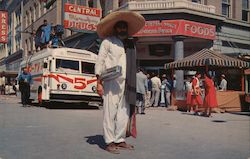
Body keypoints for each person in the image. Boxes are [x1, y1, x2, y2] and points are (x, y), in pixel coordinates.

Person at [95, 11, 145, 154]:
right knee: (110, 112)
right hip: (111, 82)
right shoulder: (108, 42)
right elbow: (100, 62)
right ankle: (109, 141)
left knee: (124, 112)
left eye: (124, 27)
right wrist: (98, 82)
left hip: (128, 83)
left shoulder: (130, 44)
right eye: (120, 27)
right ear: (115, 28)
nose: (122, 29)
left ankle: (120, 139)